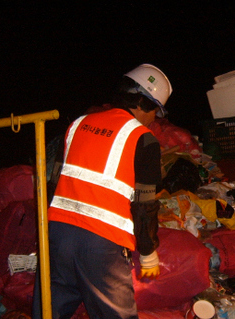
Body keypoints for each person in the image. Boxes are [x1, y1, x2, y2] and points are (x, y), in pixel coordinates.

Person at [32, 64, 172, 319]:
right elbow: (144, 203)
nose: (155, 119)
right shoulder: (143, 138)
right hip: (102, 245)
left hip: (58, 235)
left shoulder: (78, 124)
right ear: (142, 103)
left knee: (48, 311)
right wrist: (148, 250)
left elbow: (54, 182)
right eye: (155, 111)